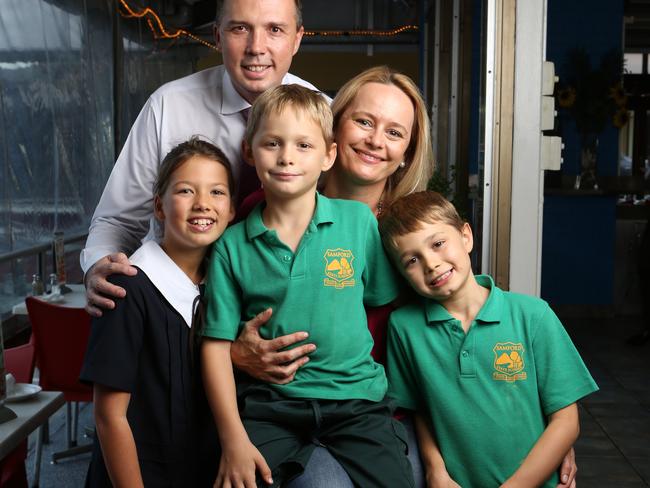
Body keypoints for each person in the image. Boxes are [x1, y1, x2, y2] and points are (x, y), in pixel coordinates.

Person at [201, 84, 414, 487]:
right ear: (249, 151)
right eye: (272, 144)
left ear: (327, 155)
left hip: (357, 402)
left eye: (303, 145)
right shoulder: (231, 244)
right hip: (270, 406)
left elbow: (384, 301)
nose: (286, 158)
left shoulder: (359, 224)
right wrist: (232, 439)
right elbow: (214, 344)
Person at [81, 0, 318, 318]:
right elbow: (117, 221)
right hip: (179, 312)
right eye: (240, 28)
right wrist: (100, 265)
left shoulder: (323, 115)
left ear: (297, 38)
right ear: (218, 36)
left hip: (283, 314)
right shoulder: (167, 106)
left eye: (275, 29)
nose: (256, 48)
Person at [378, 191, 599, 488]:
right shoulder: (404, 328)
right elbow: (419, 410)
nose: (431, 264)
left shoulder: (533, 315)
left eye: (438, 244)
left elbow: (566, 422)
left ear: (466, 237)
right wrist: (435, 471)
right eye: (412, 260)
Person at [79, 137, 236, 487]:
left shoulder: (226, 287)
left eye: (217, 192)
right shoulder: (127, 288)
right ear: (159, 207)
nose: (202, 205)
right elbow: (109, 416)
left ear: (232, 210)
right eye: (185, 191)